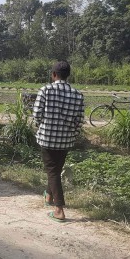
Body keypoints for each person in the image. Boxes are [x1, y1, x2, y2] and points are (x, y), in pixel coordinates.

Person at [33, 61, 85, 222]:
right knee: (56, 169)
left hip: (48, 138)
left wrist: (43, 126)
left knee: (53, 172)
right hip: (65, 140)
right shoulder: (77, 94)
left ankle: (59, 209)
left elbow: (37, 115)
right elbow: (79, 121)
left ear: (53, 74)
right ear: (68, 75)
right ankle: (49, 196)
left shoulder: (46, 90)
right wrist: (71, 133)